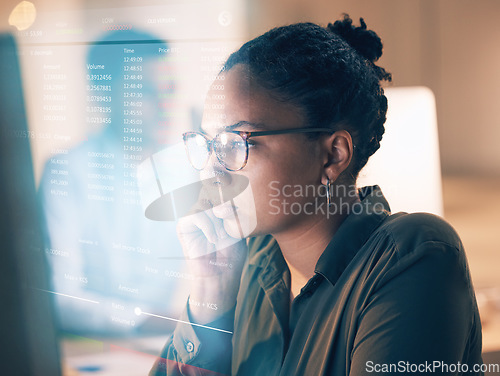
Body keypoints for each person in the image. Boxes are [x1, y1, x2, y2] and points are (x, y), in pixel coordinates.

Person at [149, 15, 483, 375]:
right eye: (209, 144)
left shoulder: (413, 256)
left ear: (333, 155)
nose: (210, 171)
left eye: (235, 142)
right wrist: (210, 289)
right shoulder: (252, 260)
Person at [39, 29, 192, 336]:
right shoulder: (68, 171)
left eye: (170, 89)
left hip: (162, 345)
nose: (165, 105)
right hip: (83, 348)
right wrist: (154, 320)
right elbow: (58, 297)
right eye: (147, 91)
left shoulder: (187, 172)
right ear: (104, 94)